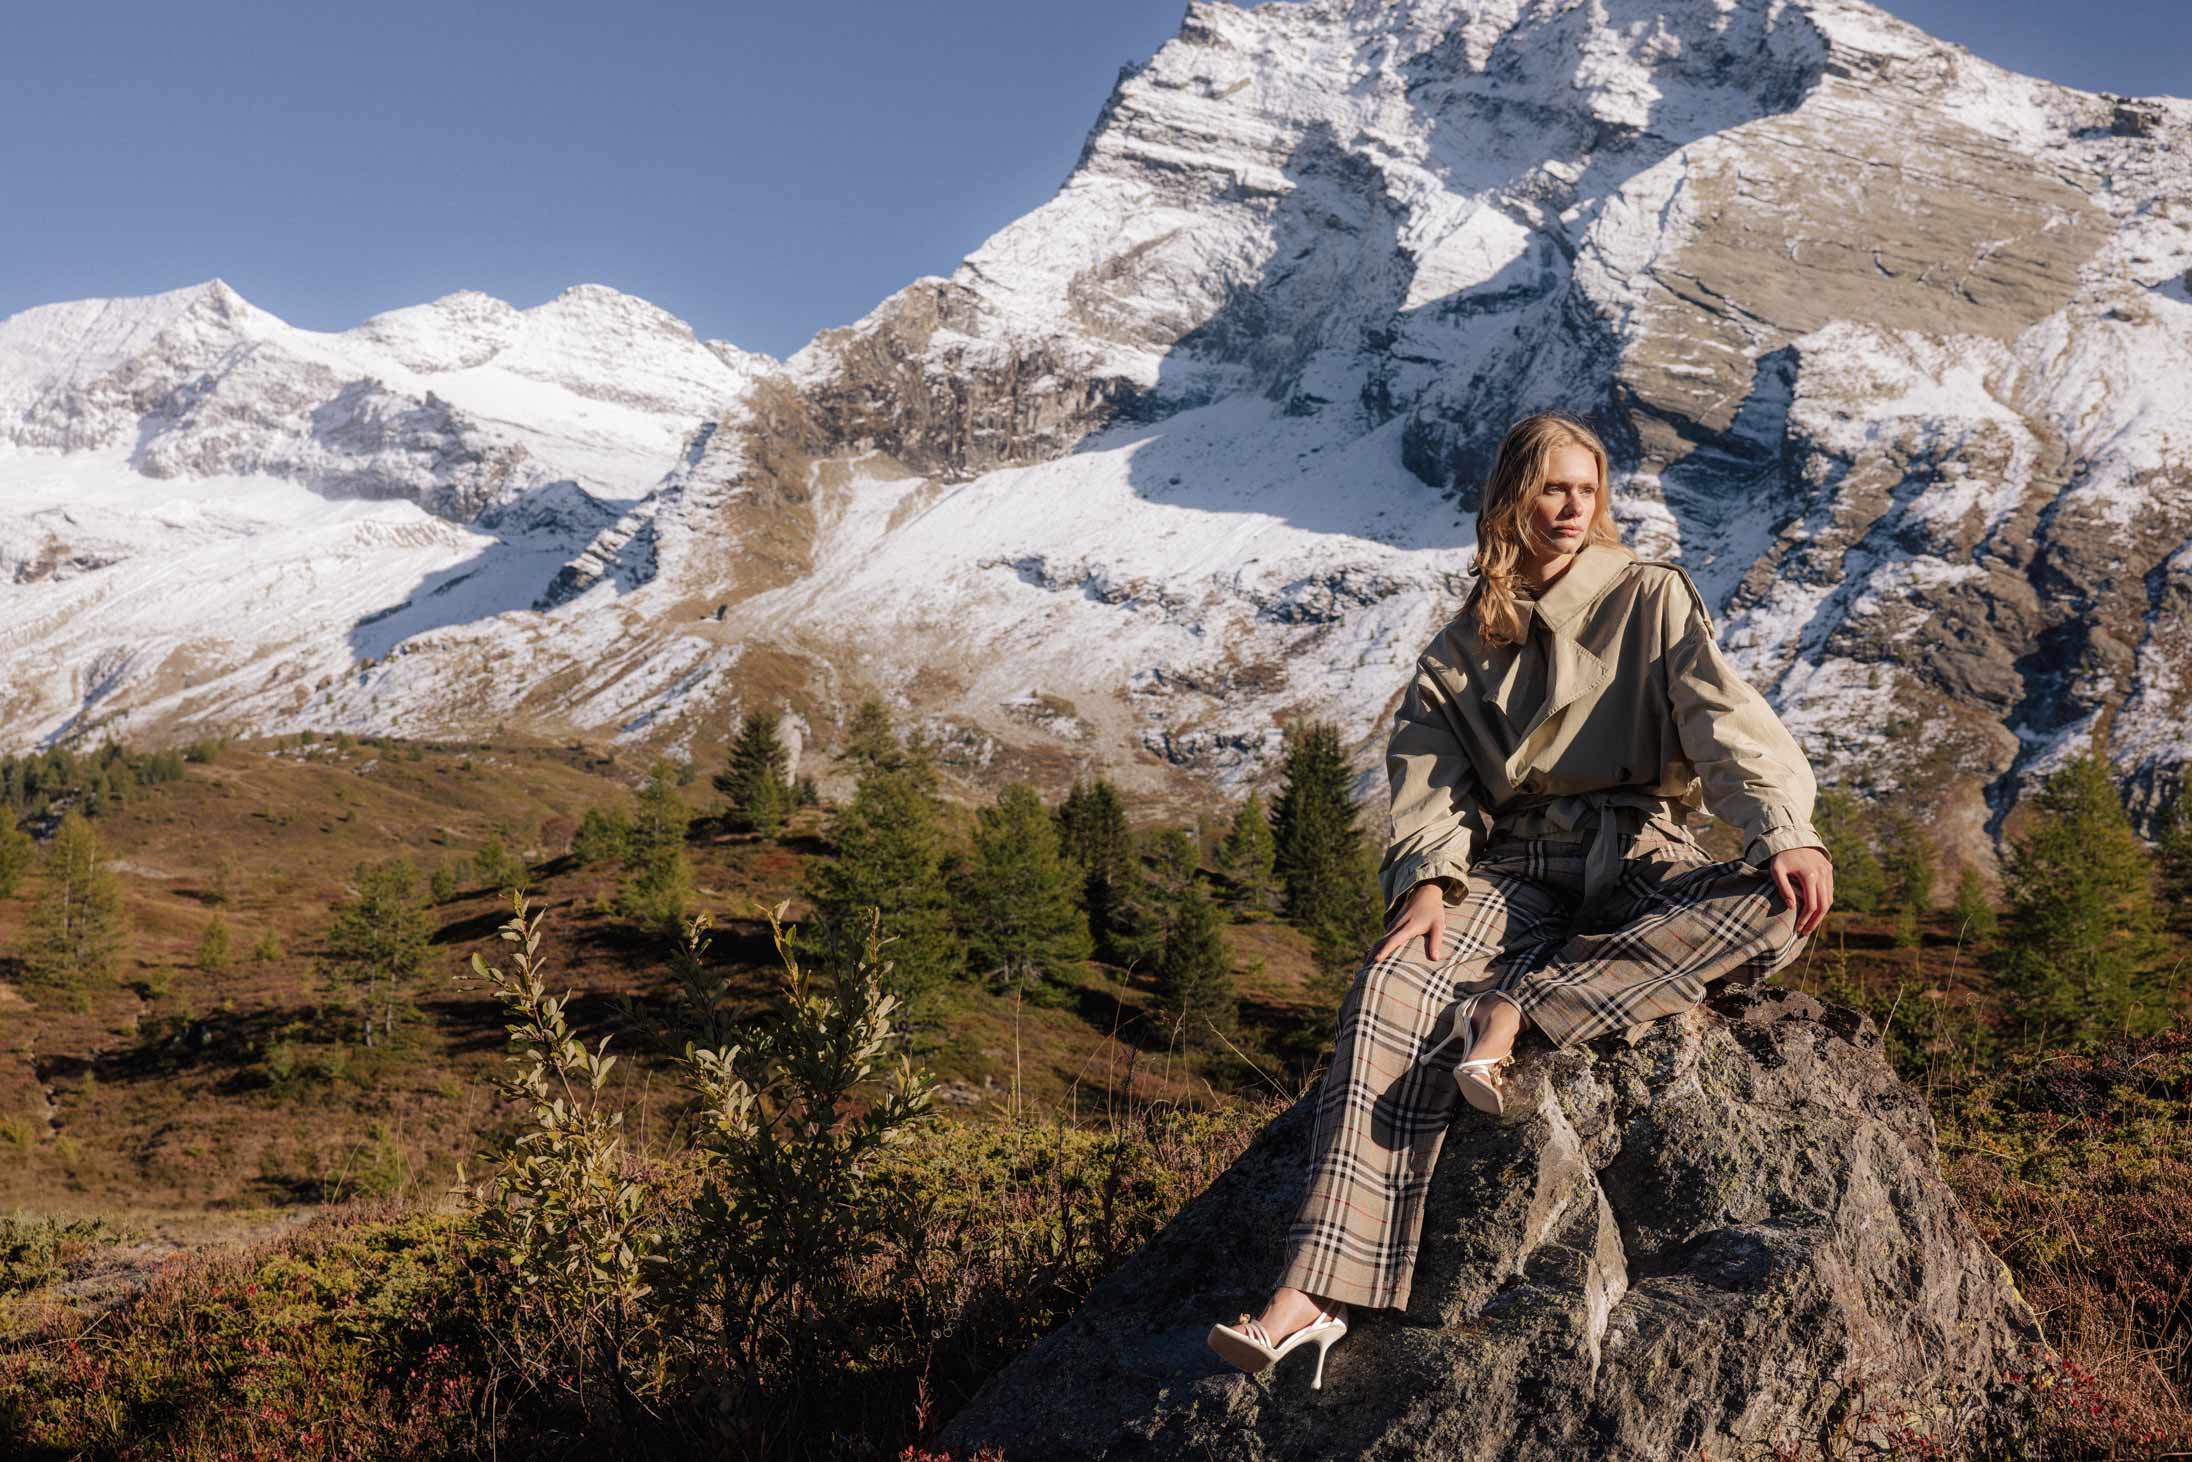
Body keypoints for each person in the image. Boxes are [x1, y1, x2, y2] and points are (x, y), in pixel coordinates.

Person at [1205, 410, 1836, 1389]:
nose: (1572, 506)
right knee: (1391, 984)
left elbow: (1721, 718)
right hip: (1515, 870)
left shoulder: (1647, 597)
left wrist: (1781, 828)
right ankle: (1313, 1292)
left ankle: (1518, 1009)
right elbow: (1430, 776)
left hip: (1638, 854)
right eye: (1552, 487)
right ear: (1511, 499)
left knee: (1769, 910)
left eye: (1587, 488)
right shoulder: (1460, 647)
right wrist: (1424, 883)